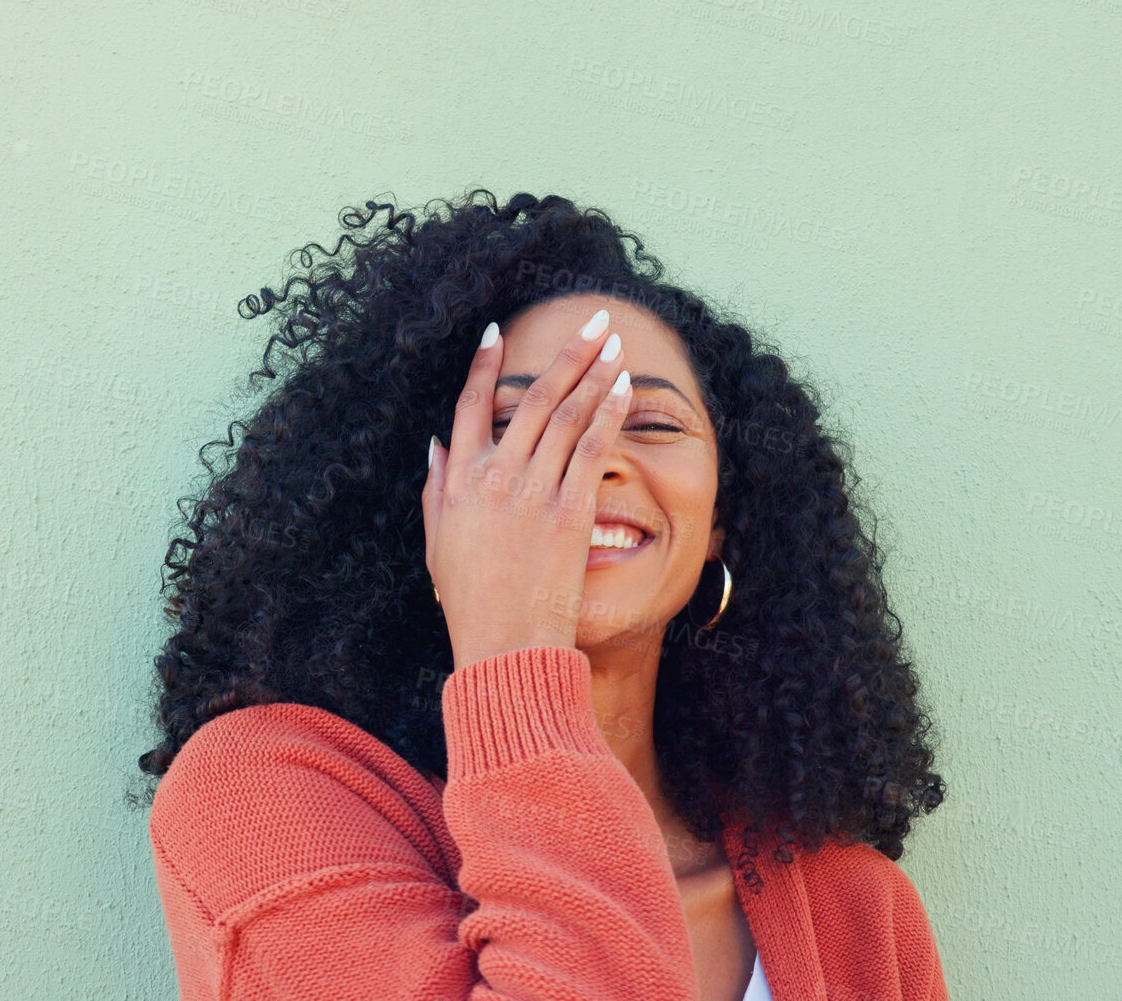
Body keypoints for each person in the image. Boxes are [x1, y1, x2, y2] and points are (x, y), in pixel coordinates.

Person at [136, 190, 950, 1000]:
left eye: (653, 426)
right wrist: (512, 650)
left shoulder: (856, 907)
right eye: (518, 423)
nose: (592, 460)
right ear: (423, 498)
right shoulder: (262, 792)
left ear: (721, 526)